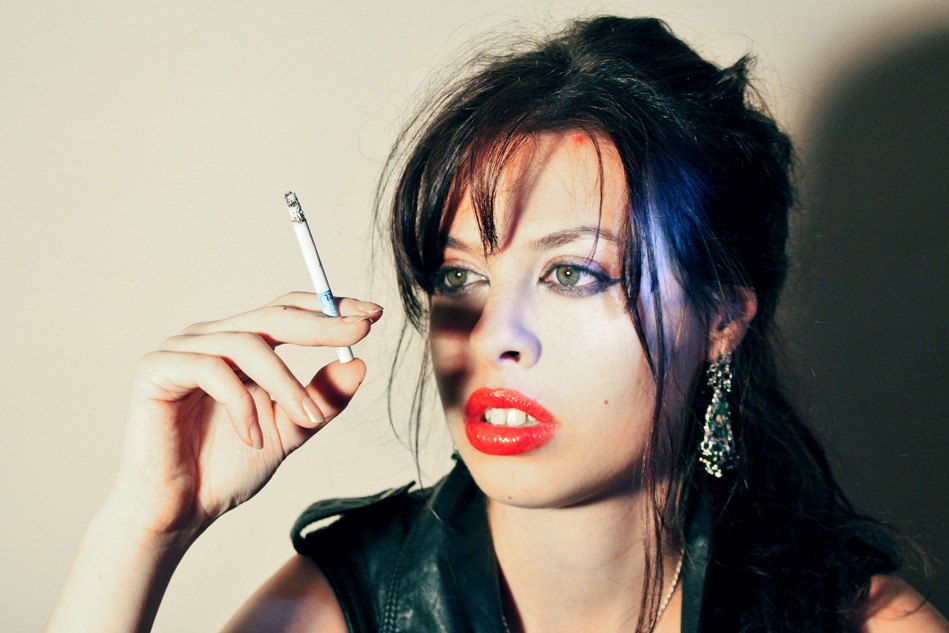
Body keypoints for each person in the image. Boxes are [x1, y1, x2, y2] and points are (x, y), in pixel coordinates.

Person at [46, 16, 947, 633]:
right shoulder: (352, 604)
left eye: (570, 272)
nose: (491, 335)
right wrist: (143, 528)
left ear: (719, 317)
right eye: (460, 276)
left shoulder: (855, 619)